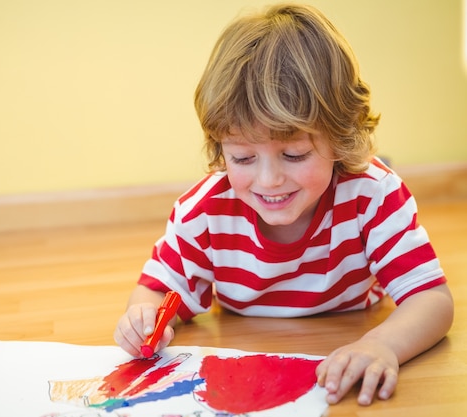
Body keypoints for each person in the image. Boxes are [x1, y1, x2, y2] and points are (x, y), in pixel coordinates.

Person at [113, 3, 454, 407]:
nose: (269, 180)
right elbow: (157, 291)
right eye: (242, 158)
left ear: (341, 138)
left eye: (294, 155)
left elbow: (432, 300)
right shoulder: (204, 212)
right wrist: (143, 320)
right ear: (220, 148)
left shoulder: (374, 195)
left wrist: (382, 345)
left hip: (352, 320)